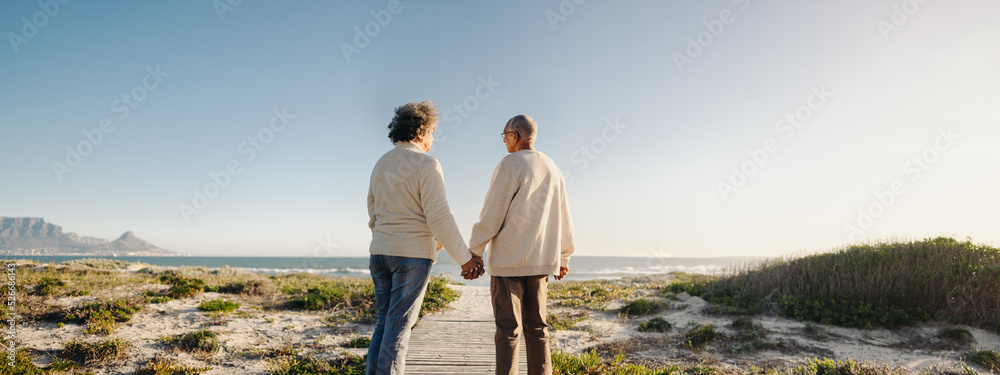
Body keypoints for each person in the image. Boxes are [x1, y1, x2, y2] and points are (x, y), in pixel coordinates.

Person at [365, 100, 485, 375]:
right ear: (420, 133)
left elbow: (372, 211)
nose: (433, 139)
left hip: (379, 253)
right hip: (412, 256)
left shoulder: (381, 163)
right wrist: (465, 259)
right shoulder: (426, 163)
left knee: (383, 325)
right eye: (432, 133)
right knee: (397, 333)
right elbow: (439, 215)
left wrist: (385, 236)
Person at [469, 114, 576, 375]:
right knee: (538, 329)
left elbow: (492, 213)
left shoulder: (510, 163)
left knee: (508, 331)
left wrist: (474, 251)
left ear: (515, 135)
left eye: (504, 135)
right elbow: (564, 215)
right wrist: (563, 257)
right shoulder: (553, 167)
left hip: (508, 262)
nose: (504, 141)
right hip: (540, 261)